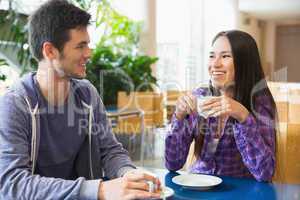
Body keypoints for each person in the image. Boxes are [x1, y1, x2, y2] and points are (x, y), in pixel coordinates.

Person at [0, 0, 161, 199]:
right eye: (80, 46)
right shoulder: (15, 104)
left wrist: (128, 174)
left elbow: (110, 151)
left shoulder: (87, 94)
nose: (89, 53)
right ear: (50, 51)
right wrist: (99, 190)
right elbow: (12, 184)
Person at [165, 30, 277, 182]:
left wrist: (243, 116)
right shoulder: (200, 97)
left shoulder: (259, 102)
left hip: (239, 192)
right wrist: (178, 117)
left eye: (225, 56)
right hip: (198, 186)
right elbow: (172, 163)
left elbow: (265, 173)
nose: (215, 64)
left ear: (245, 62)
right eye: (212, 56)